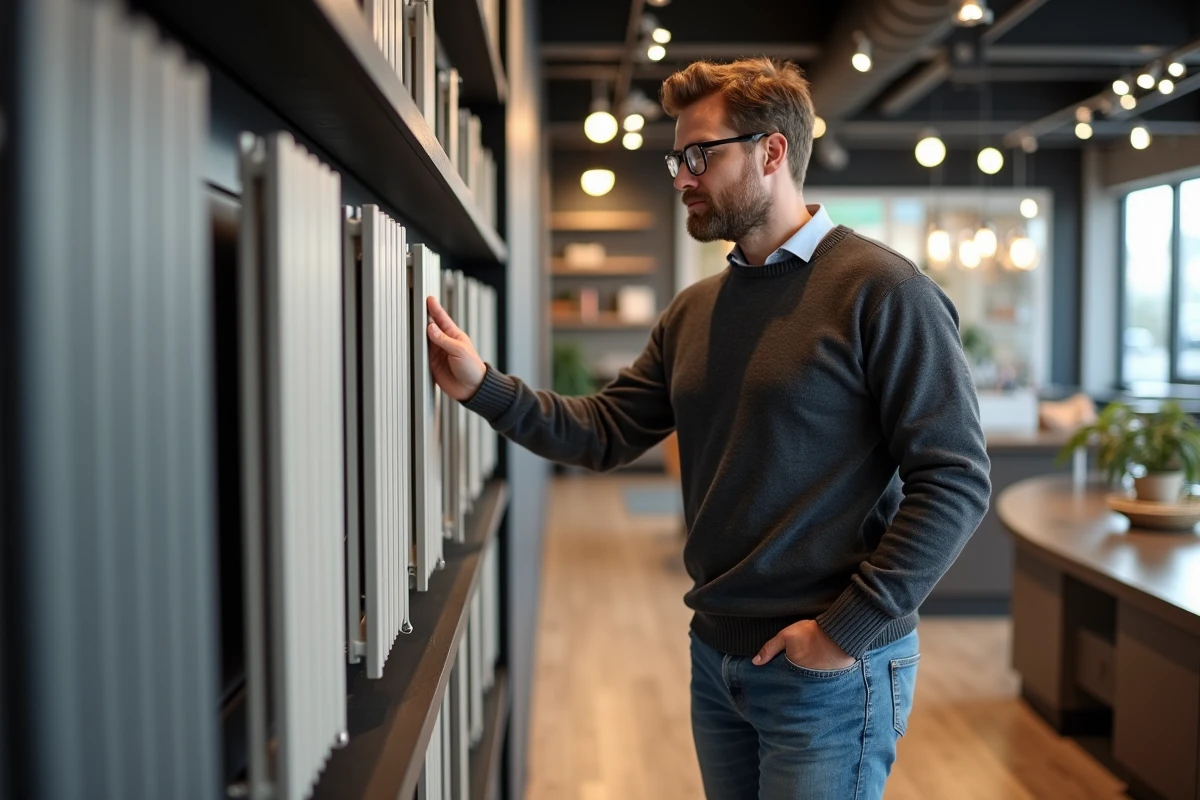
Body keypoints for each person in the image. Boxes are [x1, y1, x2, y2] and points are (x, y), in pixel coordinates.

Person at [425, 57, 991, 800]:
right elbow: (604, 431)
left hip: (830, 671)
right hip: (717, 660)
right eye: (676, 158)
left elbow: (955, 479)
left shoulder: (884, 291)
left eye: (700, 155)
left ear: (772, 152)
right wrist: (483, 386)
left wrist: (841, 632)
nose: (682, 176)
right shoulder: (693, 311)